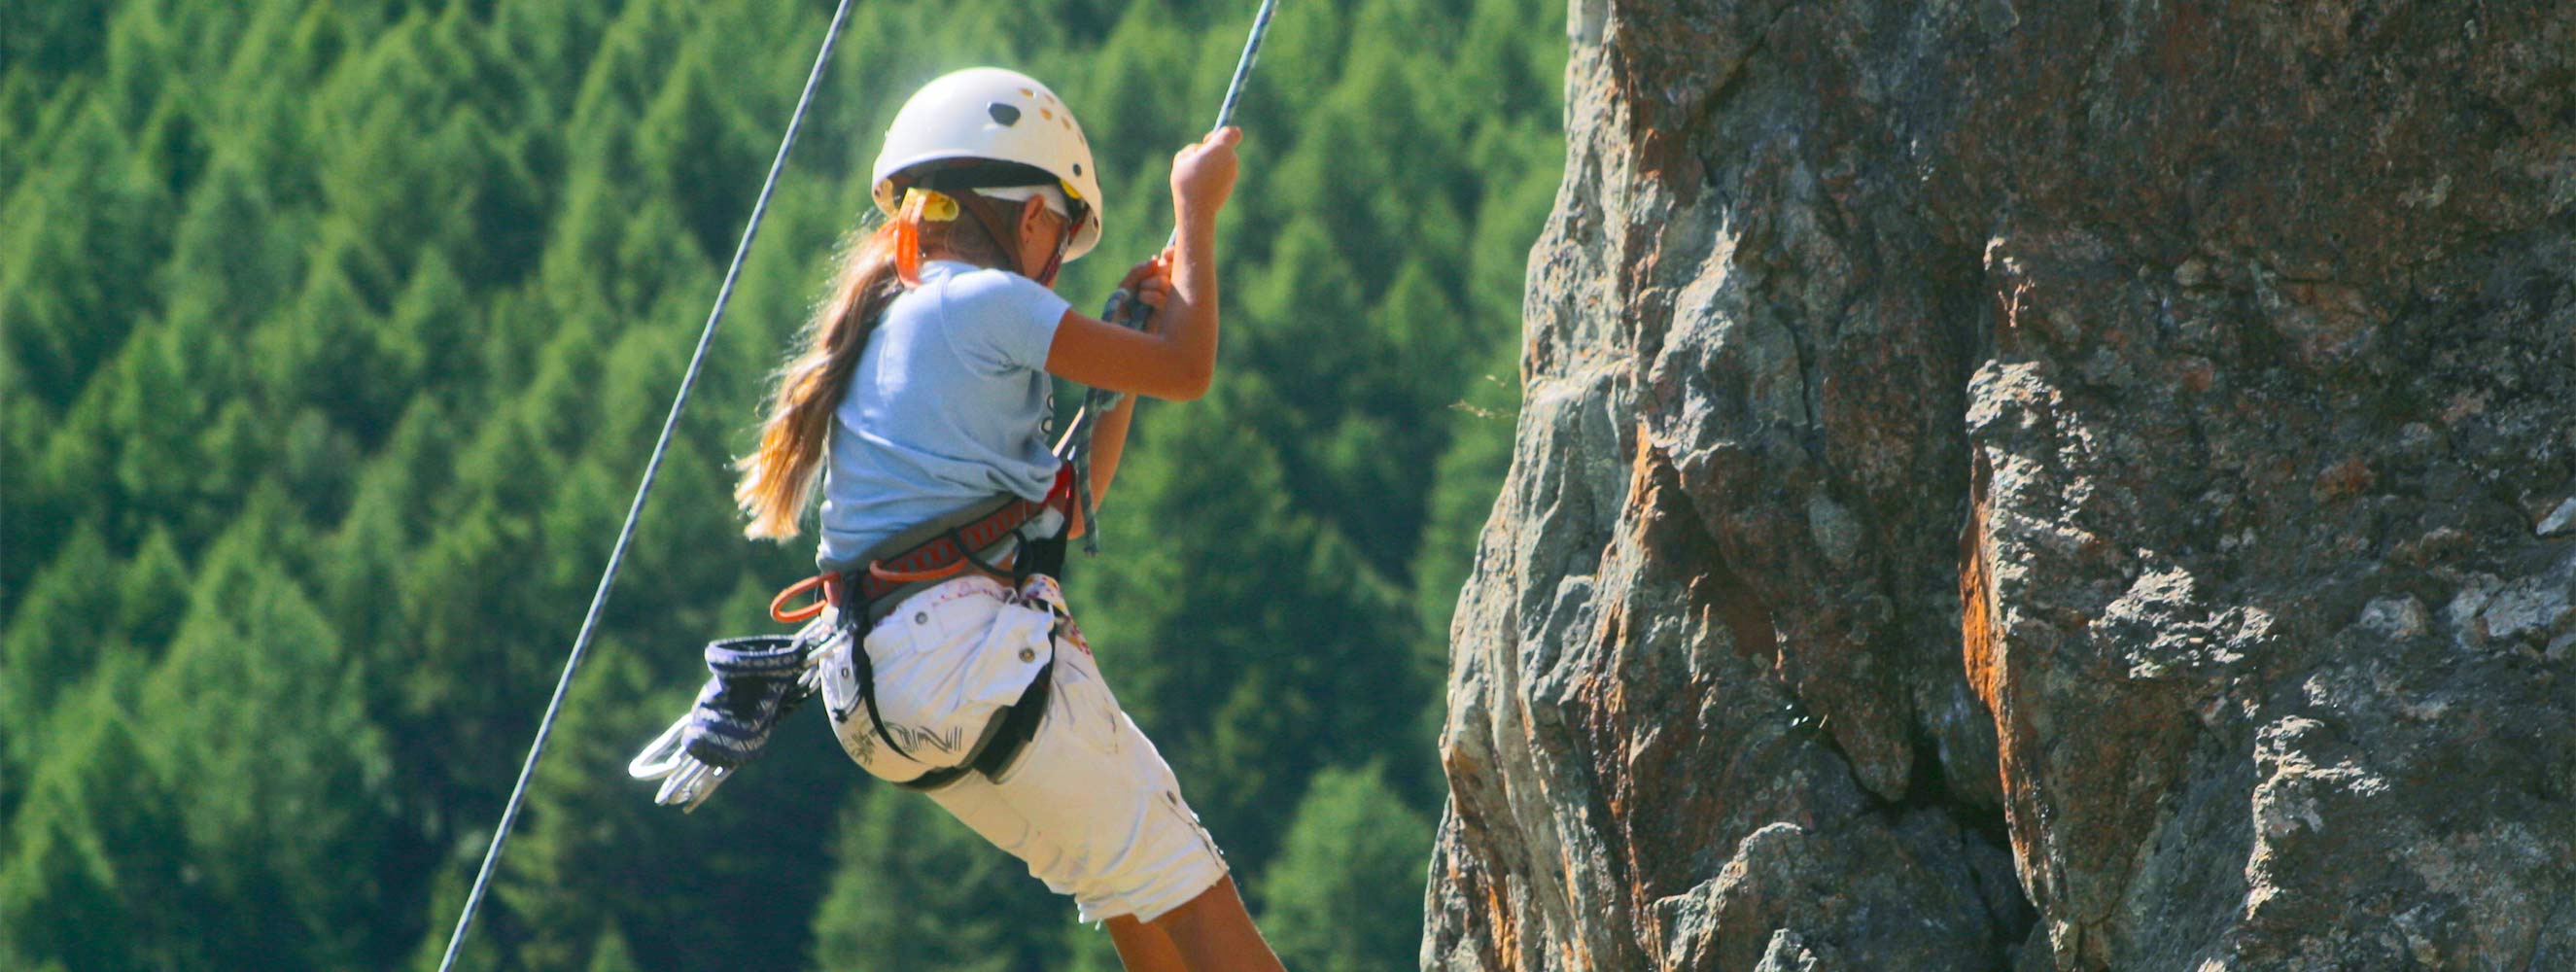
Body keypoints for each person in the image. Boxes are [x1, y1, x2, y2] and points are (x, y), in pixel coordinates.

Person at [729, 67, 1284, 971]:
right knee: (1194, 898)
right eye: (1060, 240)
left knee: (1136, 898)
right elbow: (1187, 367)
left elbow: (1064, 511)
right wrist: (1196, 208)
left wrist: (1118, 359)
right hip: (962, 659)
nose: (1059, 266)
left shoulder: (897, 318)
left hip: (876, 687)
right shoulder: (988, 302)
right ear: (1028, 217)